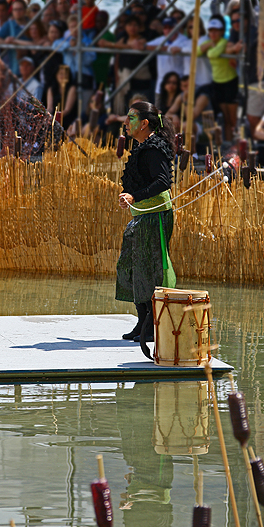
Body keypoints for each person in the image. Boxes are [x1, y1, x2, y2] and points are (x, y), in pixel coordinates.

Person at [116, 101, 176, 353]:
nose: (126, 122)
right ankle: (142, 322)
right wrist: (131, 196)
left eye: (131, 118)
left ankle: (151, 324)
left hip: (156, 217)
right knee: (130, 265)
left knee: (150, 271)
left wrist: (134, 196)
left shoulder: (153, 149)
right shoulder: (142, 146)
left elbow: (163, 182)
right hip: (142, 215)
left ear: (144, 124)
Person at [199, 16, 238, 142]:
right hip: (217, 83)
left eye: (216, 30)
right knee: (225, 118)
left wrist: (210, 46)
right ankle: (227, 147)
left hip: (230, 83)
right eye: (211, 30)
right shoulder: (212, 43)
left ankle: (236, 144)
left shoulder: (224, 42)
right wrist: (210, 43)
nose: (213, 33)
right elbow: (197, 51)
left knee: (232, 120)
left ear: (222, 31)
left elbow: (212, 54)